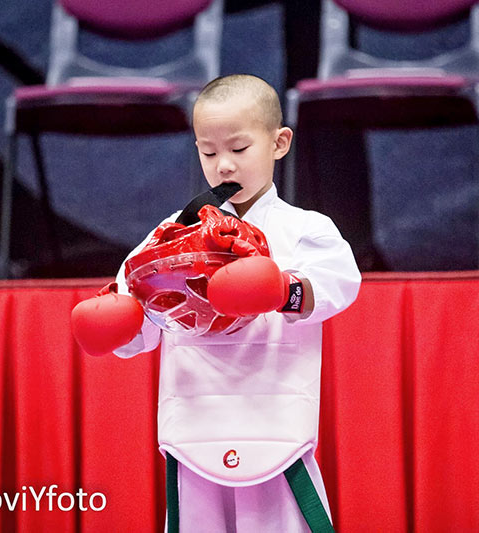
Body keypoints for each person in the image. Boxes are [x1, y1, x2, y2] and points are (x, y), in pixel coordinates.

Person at [112, 74, 360, 531]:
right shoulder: (173, 234)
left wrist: (282, 290)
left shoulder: (306, 228)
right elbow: (136, 306)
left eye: (239, 150)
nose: (223, 165)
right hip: (195, 422)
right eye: (209, 152)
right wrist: (118, 319)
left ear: (279, 143)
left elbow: (340, 283)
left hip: (275, 422)